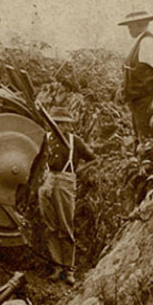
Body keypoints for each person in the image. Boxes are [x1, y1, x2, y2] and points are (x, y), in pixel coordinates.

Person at [37, 116, 95, 286]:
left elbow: (93, 158)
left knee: (66, 224)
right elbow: (37, 160)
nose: (65, 126)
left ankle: (68, 269)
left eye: (66, 123)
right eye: (61, 123)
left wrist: (76, 172)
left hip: (65, 181)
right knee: (50, 226)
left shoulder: (74, 141)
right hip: (46, 181)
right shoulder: (45, 139)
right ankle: (57, 267)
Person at [119, 10, 153, 143]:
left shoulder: (148, 43)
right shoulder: (140, 43)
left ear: (140, 24)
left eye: (130, 26)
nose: (129, 30)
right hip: (138, 103)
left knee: (150, 140)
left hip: (147, 102)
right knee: (142, 139)